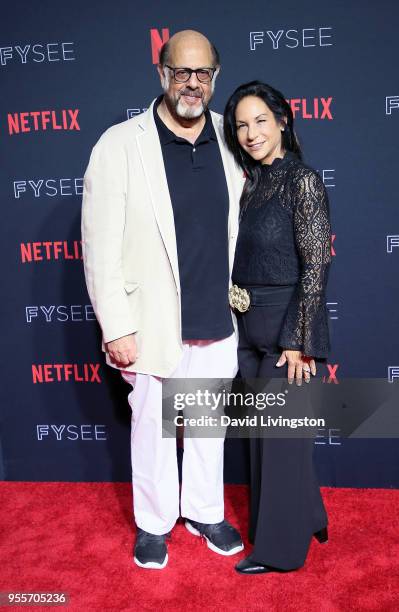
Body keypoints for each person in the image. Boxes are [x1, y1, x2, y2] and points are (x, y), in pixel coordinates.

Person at [81, 30, 245, 570]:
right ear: (161, 74)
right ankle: (154, 523)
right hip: (150, 322)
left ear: (215, 78)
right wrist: (116, 326)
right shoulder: (119, 144)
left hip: (216, 317)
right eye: (181, 72)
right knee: (152, 431)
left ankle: (202, 510)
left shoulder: (231, 136)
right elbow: (99, 245)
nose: (191, 84)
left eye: (202, 74)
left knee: (206, 426)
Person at [223, 81, 332, 574]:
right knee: (268, 441)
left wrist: (300, 340)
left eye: (260, 120)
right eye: (242, 125)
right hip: (246, 327)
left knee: (281, 439)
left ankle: (280, 553)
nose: (251, 133)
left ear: (283, 120)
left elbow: (315, 266)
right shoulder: (250, 183)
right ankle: (309, 514)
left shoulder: (301, 180)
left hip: (287, 324)